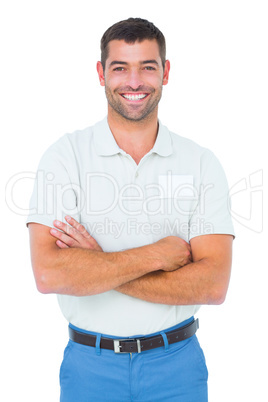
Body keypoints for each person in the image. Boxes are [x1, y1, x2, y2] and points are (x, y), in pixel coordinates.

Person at [27, 17, 234, 402]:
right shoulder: (65, 157)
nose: (134, 82)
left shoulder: (201, 163)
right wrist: (157, 255)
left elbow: (213, 284)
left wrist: (97, 265)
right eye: (120, 67)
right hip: (91, 367)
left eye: (147, 67)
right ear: (101, 73)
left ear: (166, 72)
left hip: (177, 367)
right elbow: (49, 273)